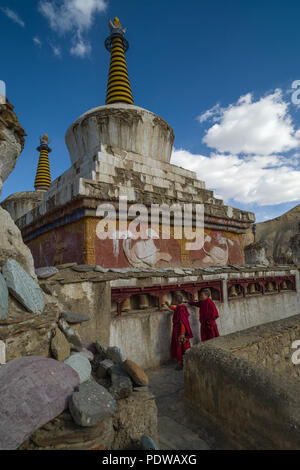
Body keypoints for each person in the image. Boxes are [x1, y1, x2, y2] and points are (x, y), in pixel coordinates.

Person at [165, 294, 193, 370]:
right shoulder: (181, 307)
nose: (173, 302)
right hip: (179, 330)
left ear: (176, 301)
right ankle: (186, 361)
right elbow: (175, 309)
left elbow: (182, 322)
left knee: (180, 346)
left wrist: (182, 334)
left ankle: (180, 362)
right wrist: (169, 306)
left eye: (174, 300)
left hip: (180, 331)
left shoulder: (180, 309)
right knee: (184, 345)